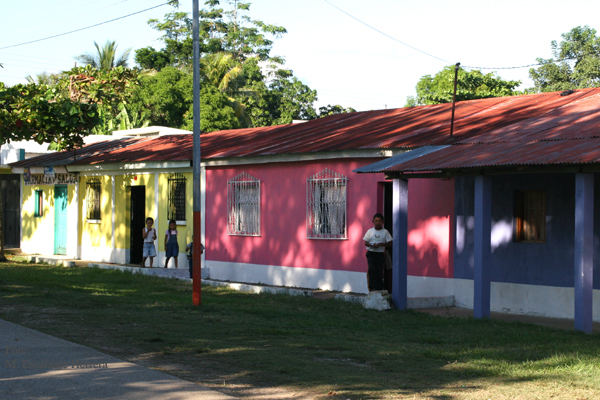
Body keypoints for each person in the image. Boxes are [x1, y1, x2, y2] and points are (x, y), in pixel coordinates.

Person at [363, 213, 393, 291]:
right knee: (371, 269)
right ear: (373, 221)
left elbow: (390, 243)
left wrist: (381, 244)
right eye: (376, 221)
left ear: (382, 222)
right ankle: (372, 287)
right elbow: (365, 242)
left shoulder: (385, 232)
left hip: (380, 253)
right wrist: (371, 244)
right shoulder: (370, 231)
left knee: (379, 270)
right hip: (371, 253)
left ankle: (379, 287)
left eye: (379, 221)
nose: (378, 223)